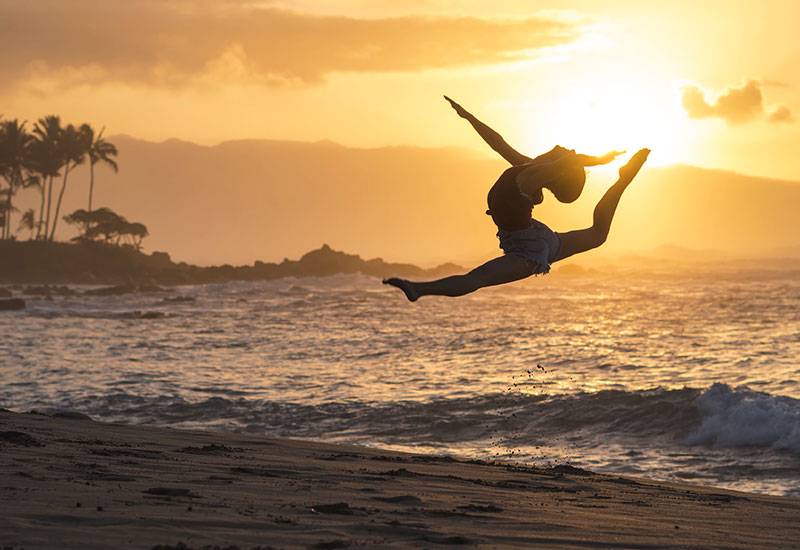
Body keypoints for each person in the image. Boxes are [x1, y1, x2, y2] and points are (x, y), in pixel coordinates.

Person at [383, 97, 650, 302]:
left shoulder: (533, 177)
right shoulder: (526, 168)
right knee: (597, 235)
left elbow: (569, 160)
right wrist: (469, 117)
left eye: (567, 152)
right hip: (534, 237)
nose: (567, 147)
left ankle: (418, 289)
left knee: (475, 279)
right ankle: (623, 179)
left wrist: (599, 160)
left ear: (561, 169)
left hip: (528, 250)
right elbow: (498, 143)